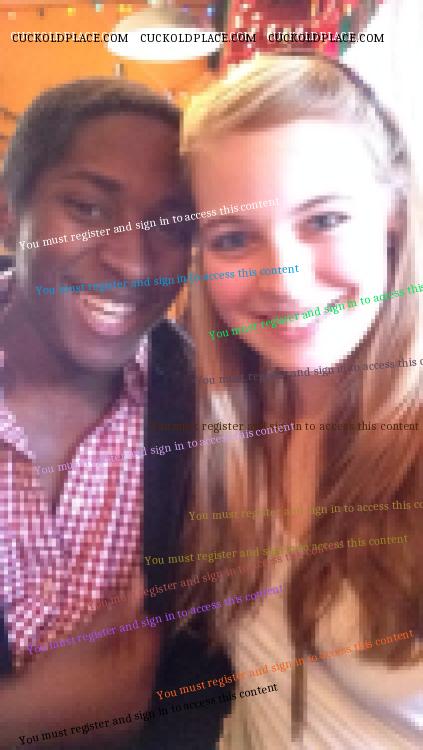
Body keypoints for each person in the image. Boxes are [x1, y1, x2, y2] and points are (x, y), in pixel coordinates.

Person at [182, 54, 423, 747]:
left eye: (324, 219)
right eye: (233, 238)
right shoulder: (215, 424)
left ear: (393, 217)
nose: (283, 281)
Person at [0, 78, 230, 749]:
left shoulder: (210, 419)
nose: (130, 261)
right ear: (10, 213)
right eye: (87, 207)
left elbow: (209, 665)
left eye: (169, 226)